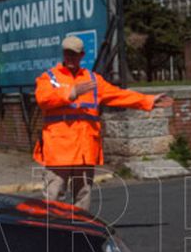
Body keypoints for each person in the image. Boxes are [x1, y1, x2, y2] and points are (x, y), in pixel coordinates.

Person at [32, 35, 168, 209]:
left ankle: (80, 233)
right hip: (59, 151)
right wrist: (71, 93)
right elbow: (43, 98)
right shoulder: (49, 78)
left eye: (74, 54)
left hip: (84, 149)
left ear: (82, 55)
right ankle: (52, 234)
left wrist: (148, 101)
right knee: (54, 198)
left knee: (82, 198)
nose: (70, 57)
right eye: (67, 53)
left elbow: (119, 95)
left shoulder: (93, 80)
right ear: (63, 54)